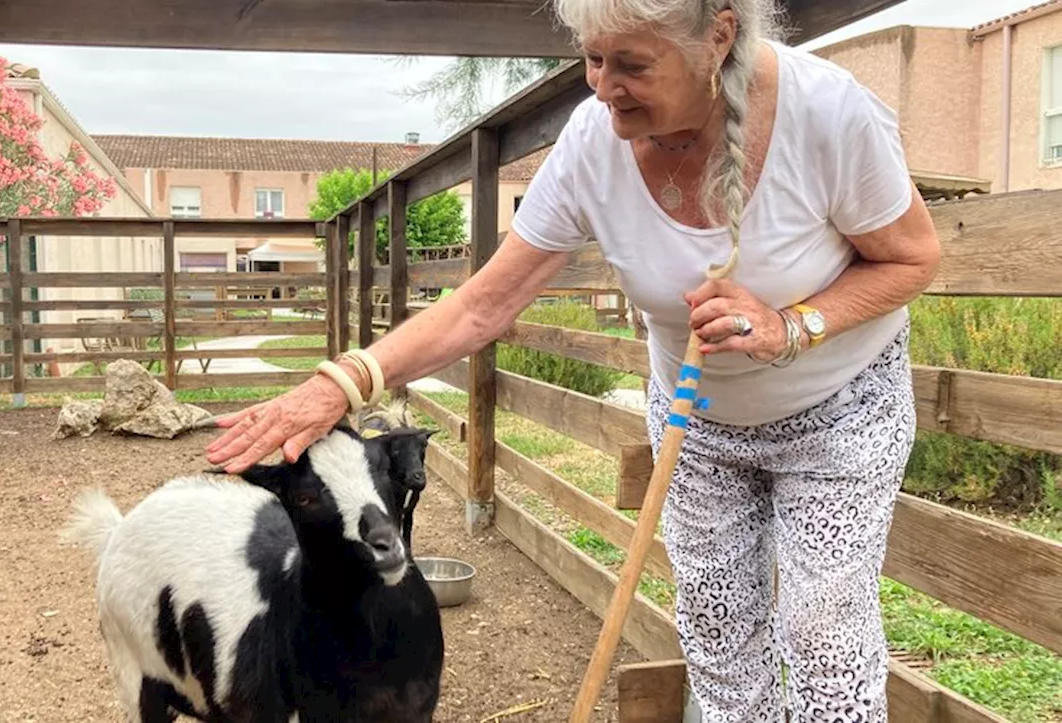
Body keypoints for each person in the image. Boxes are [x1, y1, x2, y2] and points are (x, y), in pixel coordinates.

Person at [208, 0, 941, 719]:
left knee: (821, 634)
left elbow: (913, 257)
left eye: (631, 64)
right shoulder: (595, 143)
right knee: (717, 635)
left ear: (718, 36)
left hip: (839, 408)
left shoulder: (829, 114)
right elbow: (480, 305)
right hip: (700, 418)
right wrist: (345, 381)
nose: (600, 84)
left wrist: (791, 323)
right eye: (592, 58)